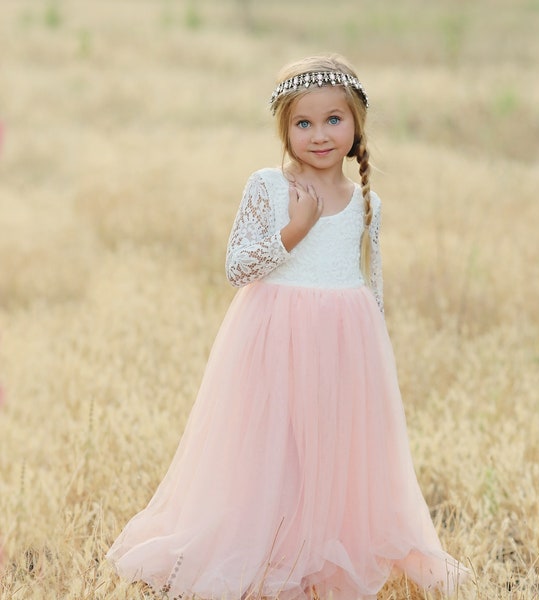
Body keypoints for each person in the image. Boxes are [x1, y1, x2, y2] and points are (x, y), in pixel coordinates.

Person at [106, 54, 469, 599]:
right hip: (274, 335)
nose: (319, 135)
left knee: (331, 451)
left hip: (345, 343)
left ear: (356, 126)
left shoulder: (366, 201)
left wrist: (376, 357)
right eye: (303, 123)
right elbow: (237, 268)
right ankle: (267, 543)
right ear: (284, 129)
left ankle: (322, 547)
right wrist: (295, 230)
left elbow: (373, 284)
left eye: (333, 120)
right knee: (274, 447)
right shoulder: (269, 187)